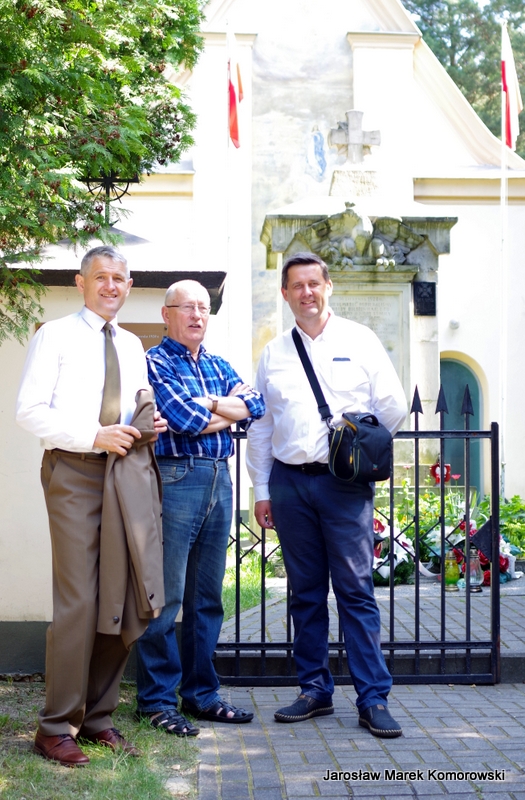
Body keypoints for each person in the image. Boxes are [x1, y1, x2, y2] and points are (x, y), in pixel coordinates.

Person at [16, 245, 167, 766]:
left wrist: (146, 424)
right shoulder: (55, 335)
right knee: (79, 601)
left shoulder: (131, 344)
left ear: (129, 286)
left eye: (119, 278)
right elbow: (29, 411)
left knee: (120, 596)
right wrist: (93, 435)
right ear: (81, 283)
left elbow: (135, 407)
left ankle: (98, 718)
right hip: (74, 472)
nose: (110, 286)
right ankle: (56, 727)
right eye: (100, 277)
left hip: (123, 475)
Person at [246, 252, 407, 737]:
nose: (307, 293)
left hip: (344, 486)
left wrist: (359, 451)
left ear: (328, 286)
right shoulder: (274, 353)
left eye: (314, 283)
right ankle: (314, 690)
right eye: (297, 286)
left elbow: (393, 406)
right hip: (290, 484)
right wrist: (261, 489)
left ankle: (372, 698)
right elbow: (262, 426)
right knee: (306, 593)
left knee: (355, 591)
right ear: (285, 294)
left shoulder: (360, 340)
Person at [135, 280, 265, 735]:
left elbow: (256, 404)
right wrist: (226, 412)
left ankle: (201, 695)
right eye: (187, 307)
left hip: (219, 480)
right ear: (166, 314)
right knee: (166, 597)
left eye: (203, 308)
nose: (196, 315)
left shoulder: (217, 363)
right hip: (177, 479)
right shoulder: (154, 362)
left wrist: (208, 404)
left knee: (207, 599)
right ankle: (156, 701)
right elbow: (184, 420)